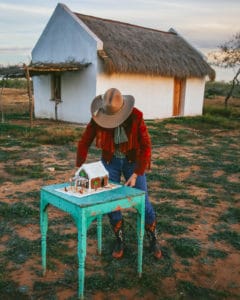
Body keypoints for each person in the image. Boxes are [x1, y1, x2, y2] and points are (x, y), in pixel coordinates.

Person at [76, 88, 162, 259]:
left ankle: (153, 239)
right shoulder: (99, 117)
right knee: (110, 200)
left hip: (133, 162)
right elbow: (84, 141)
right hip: (110, 162)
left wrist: (137, 173)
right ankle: (119, 239)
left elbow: (146, 146)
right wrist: (79, 168)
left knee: (143, 200)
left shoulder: (136, 116)